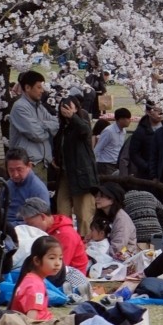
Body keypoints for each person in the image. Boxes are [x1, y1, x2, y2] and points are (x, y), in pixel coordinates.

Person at [55, 94, 100, 230]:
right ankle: (66, 238)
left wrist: (73, 117)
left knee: (84, 215)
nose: (66, 109)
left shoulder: (81, 125)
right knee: (62, 211)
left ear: (76, 108)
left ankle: (84, 244)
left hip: (82, 176)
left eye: (70, 106)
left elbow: (85, 131)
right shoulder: (63, 129)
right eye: (63, 106)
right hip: (64, 175)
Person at [19, 196, 89, 275]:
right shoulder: (50, 228)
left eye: (30, 224)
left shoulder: (65, 234)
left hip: (70, 277)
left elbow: (59, 267)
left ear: (42, 217)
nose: (29, 228)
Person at [6, 70, 57, 166]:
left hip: (42, 161)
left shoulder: (39, 106)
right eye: (38, 87)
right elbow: (36, 134)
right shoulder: (20, 107)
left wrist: (41, 125)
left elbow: (56, 123)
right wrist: (48, 131)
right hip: (26, 163)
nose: (42, 90)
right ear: (27, 87)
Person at [4, 149, 51, 227]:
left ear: (29, 166)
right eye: (11, 170)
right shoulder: (8, 184)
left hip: (25, 230)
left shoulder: (38, 189)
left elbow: (43, 222)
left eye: (19, 169)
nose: (15, 174)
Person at [125, 110, 163, 183]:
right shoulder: (141, 131)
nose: (160, 112)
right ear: (149, 112)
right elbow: (133, 153)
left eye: (162, 109)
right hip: (147, 174)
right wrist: (147, 167)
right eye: (156, 110)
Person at [94, 107, 134, 172]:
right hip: (105, 164)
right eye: (127, 118)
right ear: (120, 119)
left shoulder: (123, 131)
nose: (129, 121)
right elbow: (98, 148)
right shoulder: (109, 131)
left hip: (116, 164)